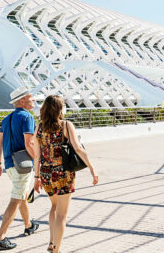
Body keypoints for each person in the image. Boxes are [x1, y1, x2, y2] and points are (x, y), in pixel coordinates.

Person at [33, 95, 99, 253]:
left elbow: (37, 155)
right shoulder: (66, 125)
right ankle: (56, 249)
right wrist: (91, 168)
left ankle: (51, 242)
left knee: (54, 206)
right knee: (62, 214)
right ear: (59, 109)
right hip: (63, 175)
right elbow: (77, 148)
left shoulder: (39, 127)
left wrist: (36, 178)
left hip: (46, 174)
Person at [0, 87, 40, 250]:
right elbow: (29, 143)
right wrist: (38, 160)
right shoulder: (27, 117)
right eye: (30, 98)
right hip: (23, 165)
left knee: (22, 195)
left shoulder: (7, 118)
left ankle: (28, 225)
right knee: (16, 199)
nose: (33, 100)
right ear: (22, 101)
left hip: (10, 165)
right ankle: (0, 237)